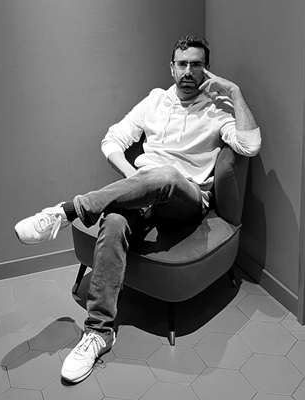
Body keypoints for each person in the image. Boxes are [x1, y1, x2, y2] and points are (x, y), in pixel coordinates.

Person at [14, 35, 261, 383]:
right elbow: (112, 139)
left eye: (197, 65)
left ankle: (68, 211)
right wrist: (136, 180)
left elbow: (250, 146)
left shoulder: (217, 109)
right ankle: (99, 332)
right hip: (146, 190)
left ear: (207, 70)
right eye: (182, 64)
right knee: (115, 219)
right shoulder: (155, 100)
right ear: (171, 67)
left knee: (167, 175)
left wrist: (233, 91)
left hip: (186, 200)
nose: (188, 71)